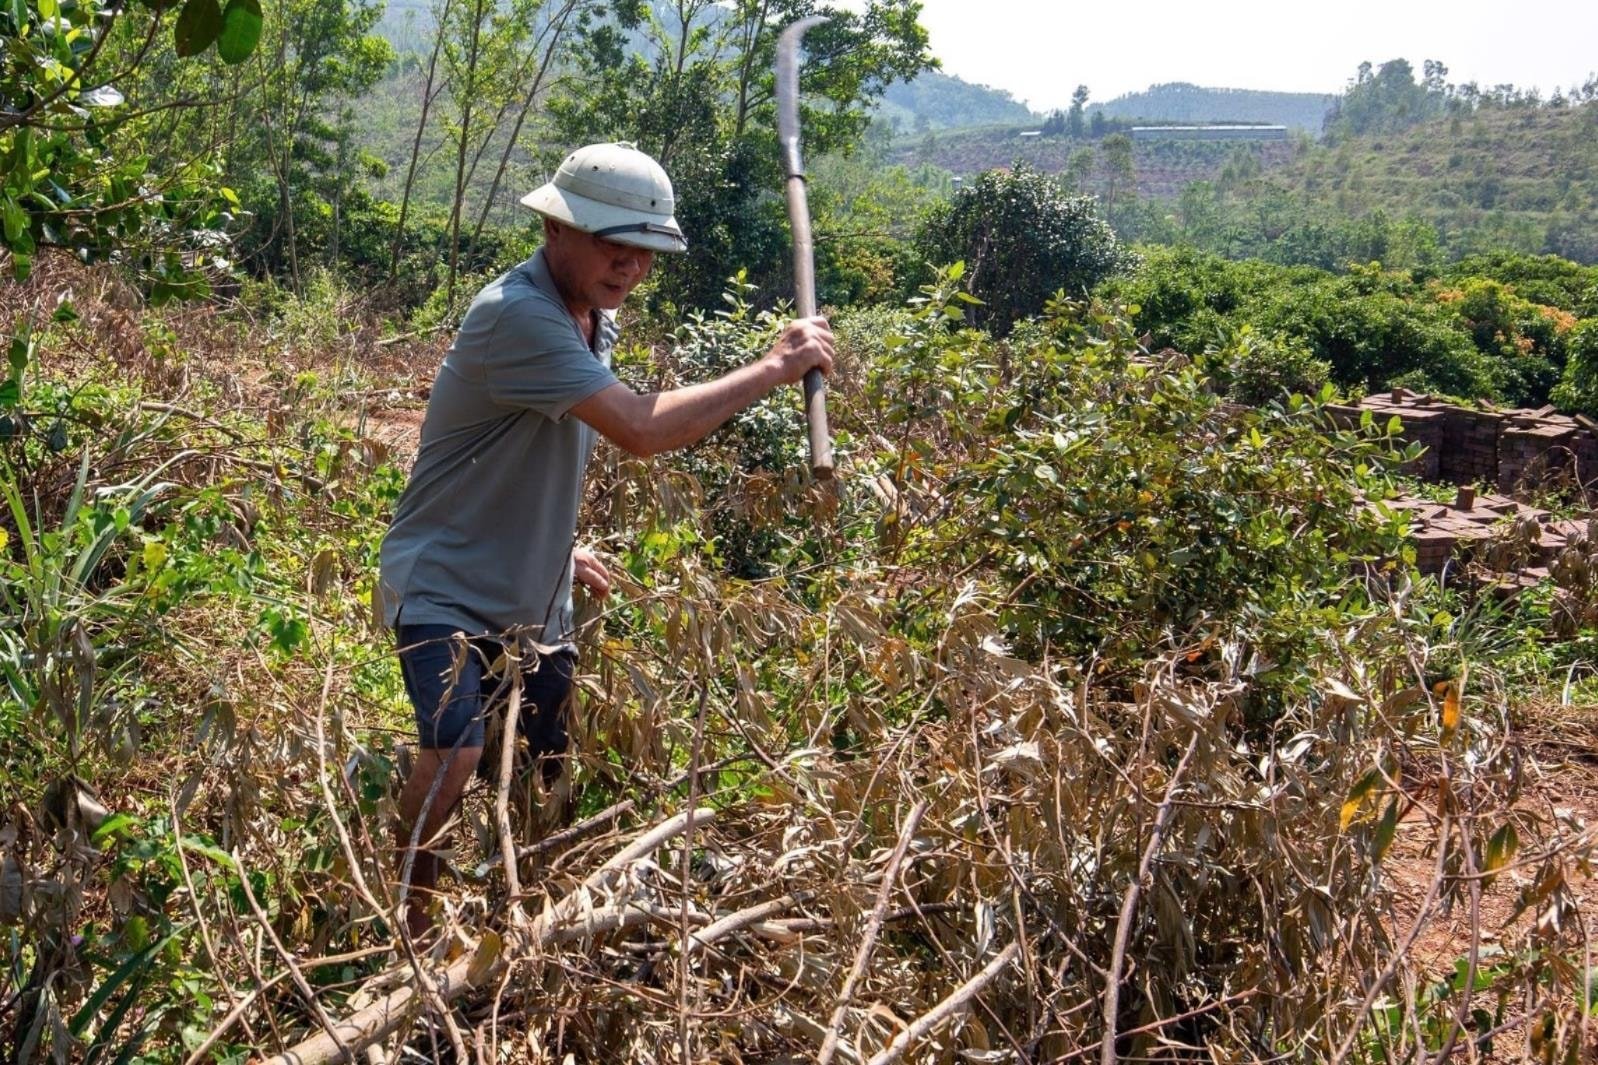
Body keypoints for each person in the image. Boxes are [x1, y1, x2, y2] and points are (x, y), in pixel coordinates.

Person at [378, 141, 834, 935]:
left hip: (533, 589)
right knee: (455, 749)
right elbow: (636, 428)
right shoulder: (517, 315)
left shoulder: (588, 318)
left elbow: (539, 447)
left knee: (543, 759)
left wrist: (562, 547)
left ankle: (519, 912)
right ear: (556, 228)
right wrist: (773, 367)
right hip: (443, 579)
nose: (628, 267)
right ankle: (412, 921)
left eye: (643, 253)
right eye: (610, 246)